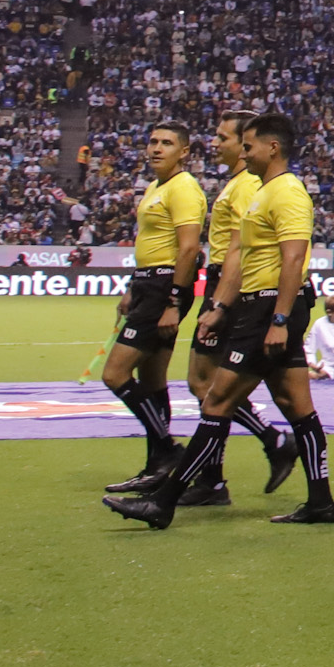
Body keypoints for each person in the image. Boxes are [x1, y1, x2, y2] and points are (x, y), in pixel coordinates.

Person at [106, 114, 334, 528]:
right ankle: (321, 501)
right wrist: (222, 307)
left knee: (215, 400)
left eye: (248, 146)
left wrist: (280, 318)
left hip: (270, 306)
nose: (242, 153)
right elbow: (239, 257)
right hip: (256, 303)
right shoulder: (261, 192)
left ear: (272, 148)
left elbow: (294, 258)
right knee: (296, 406)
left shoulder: (287, 192)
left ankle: (165, 501)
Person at [177, 109, 294, 499]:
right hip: (222, 284)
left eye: (224, 138)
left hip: (228, 286)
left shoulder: (247, 185)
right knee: (206, 385)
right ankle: (215, 476)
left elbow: (241, 248)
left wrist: (221, 302)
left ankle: (261, 447)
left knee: (205, 384)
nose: (216, 143)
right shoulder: (237, 183)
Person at [97, 122, 205, 492]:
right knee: (153, 381)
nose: (157, 148)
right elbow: (149, 241)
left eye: (167, 143)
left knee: (114, 374)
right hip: (148, 282)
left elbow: (188, 248)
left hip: (164, 286)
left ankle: (166, 450)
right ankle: (155, 468)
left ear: (184, 151)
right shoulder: (155, 188)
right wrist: (132, 287)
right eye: (153, 141)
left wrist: (173, 302)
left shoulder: (184, 188)